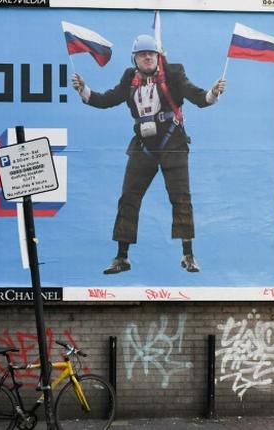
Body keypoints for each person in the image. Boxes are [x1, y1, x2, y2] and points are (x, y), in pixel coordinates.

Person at [72, 34, 225, 274]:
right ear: (135, 58)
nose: (147, 58)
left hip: (173, 144)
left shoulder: (174, 72)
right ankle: (122, 258)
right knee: (128, 198)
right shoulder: (129, 78)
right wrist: (85, 90)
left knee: (181, 198)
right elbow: (107, 99)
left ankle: (188, 255)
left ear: (158, 56)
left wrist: (213, 93)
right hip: (143, 146)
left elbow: (195, 95)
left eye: (151, 54)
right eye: (142, 54)